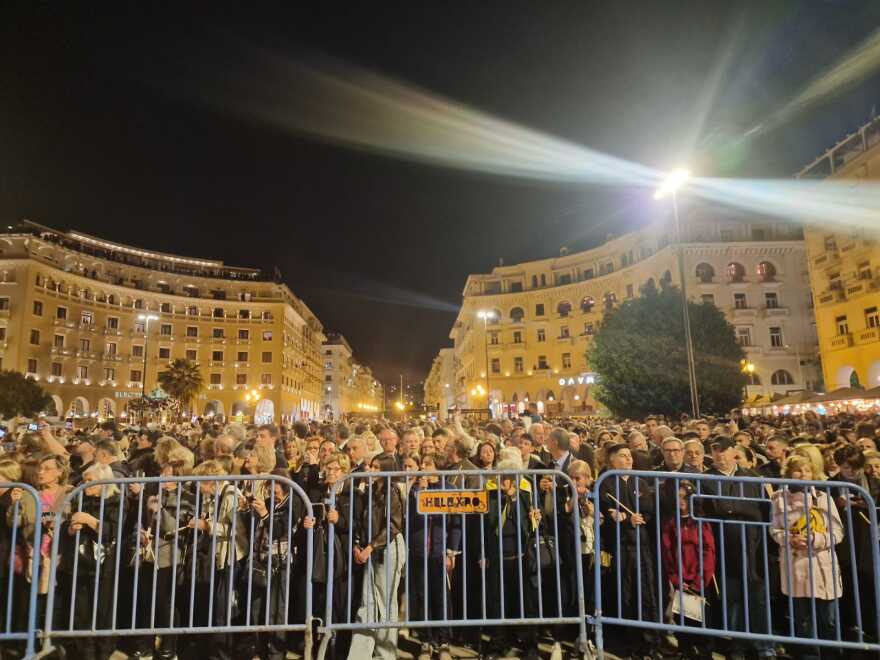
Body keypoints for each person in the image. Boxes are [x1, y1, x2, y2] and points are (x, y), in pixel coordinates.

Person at [770, 455, 843, 658]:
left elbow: (838, 533)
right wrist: (789, 539)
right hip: (795, 566)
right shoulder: (778, 498)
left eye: (807, 470)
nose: (803, 475)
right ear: (788, 473)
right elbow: (774, 530)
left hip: (822, 566)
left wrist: (813, 539)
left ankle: (831, 656)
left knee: (828, 620)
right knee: (802, 621)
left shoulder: (823, 497)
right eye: (798, 470)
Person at [57, 463, 121, 660]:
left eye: (90, 481)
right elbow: (64, 527)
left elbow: (115, 530)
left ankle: (104, 652)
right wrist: (71, 529)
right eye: (84, 481)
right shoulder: (79, 499)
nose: (85, 485)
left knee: (102, 611)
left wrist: (90, 520)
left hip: (104, 564)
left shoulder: (116, 501)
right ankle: (86, 653)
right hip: (79, 563)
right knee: (81, 611)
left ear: (104, 482)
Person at [482, 457, 542, 660]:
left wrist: (515, 500)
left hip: (522, 557)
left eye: (506, 477)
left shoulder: (525, 496)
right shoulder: (491, 497)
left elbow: (527, 526)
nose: (501, 480)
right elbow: (488, 524)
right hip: (498, 557)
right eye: (500, 476)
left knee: (526, 603)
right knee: (498, 602)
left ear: (515, 479)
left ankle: (530, 645)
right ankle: (497, 643)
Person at [347, 453, 405, 660]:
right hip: (371, 547)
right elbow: (361, 521)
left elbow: (394, 526)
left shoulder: (393, 492)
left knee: (386, 602)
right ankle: (359, 655)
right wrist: (358, 545)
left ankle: (385, 654)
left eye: (377, 467)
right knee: (368, 601)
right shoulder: (370, 491)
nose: (371, 470)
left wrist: (371, 547)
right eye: (371, 466)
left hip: (388, 548)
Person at [661, 481, 716, 659]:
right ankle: (685, 649)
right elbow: (668, 551)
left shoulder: (701, 522)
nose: (681, 500)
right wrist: (676, 579)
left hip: (699, 580)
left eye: (685, 497)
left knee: (702, 619)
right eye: (678, 497)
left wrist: (700, 580)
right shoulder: (671, 523)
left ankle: (704, 651)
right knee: (682, 618)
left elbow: (708, 552)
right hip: (681, 579)